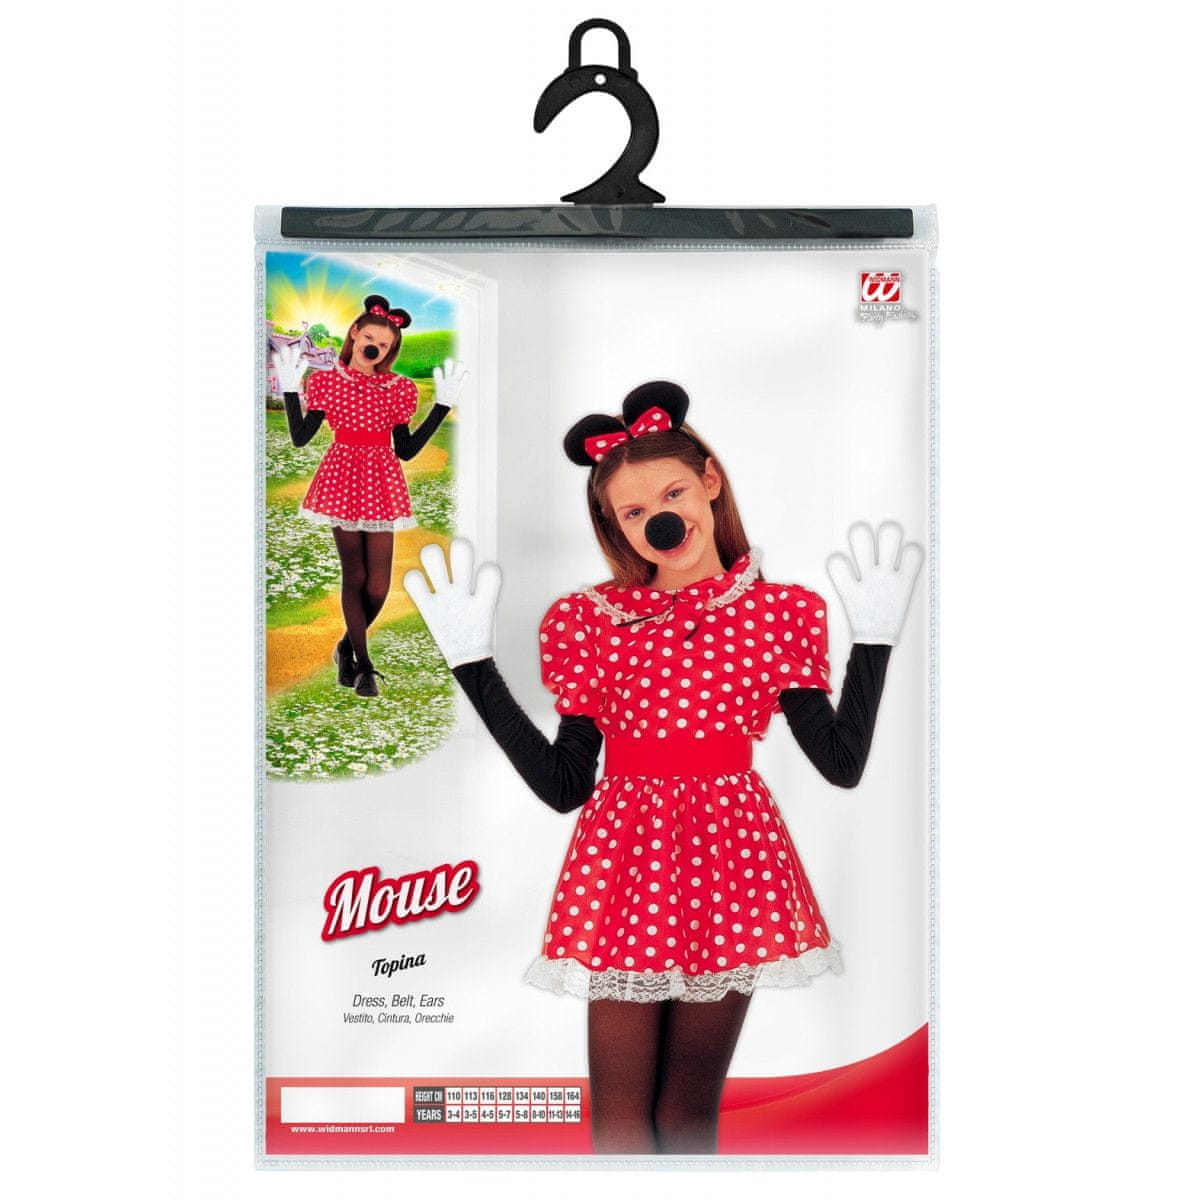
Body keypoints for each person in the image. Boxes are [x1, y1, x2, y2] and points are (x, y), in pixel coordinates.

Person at [403, 380, 921, 1154]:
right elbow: (564, 785)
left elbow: (841, 765)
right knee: (618, 1121)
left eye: (672, 493)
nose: (661, 521)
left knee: (684, 1117)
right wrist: (473, 665)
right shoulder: (591, 623)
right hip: (627, 861)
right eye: (634, 512)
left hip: (731, 859)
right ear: (614, 527)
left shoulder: (778, 614)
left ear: (709, 482)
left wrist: (873, 642)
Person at [270, 295, 466, 697]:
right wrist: (290, 390)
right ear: (355, 333)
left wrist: (441, 406)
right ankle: (364, 666)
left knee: (378, 585)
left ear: (390, 350)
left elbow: (406, 449)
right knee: (355, 576)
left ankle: (345, 648)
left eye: (384, 344)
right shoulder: (325, 382)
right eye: (370, 338)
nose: (375, 347)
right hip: (341, 476)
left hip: (381, 479)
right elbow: (301, 437)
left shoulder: (398, 389)